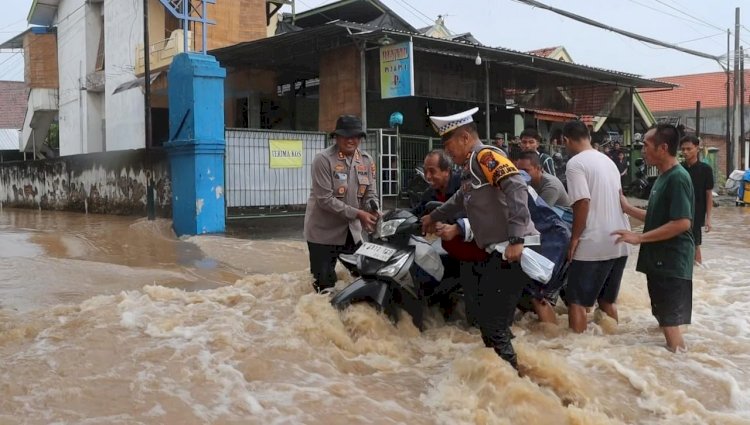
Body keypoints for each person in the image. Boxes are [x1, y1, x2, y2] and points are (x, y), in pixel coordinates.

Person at [421, 107, 538, 370]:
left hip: (512, 250)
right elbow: (459, 199)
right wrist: (432, 216)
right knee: (486, 318)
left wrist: (517, 237)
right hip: (496, 252)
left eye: (448, 142)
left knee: (493, 322)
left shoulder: (486, 156)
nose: (447, 150)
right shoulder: (470, 167)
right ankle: (507, 374)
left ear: (464, 137)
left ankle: (513, 381)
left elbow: (516, 187)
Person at [614, 124, 694, 352]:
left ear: (663, 147)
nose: (642, 151)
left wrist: (639, 238)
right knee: (662, 317)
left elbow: (682, 222)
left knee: (670, 323)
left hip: (671, 262)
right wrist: (628, 209)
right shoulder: (662, 177)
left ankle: (680, 372)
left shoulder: (678, 178)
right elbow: (657, 216)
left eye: (646, 146)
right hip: (659, 261)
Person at [563, 120, 630, 333]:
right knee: (607, 301)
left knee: (577, 302)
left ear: (566, 140)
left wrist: (574, 238)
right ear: (589, 137)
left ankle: (578, 354)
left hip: (593, 243)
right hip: (620, 241)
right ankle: (613, 344)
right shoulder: (608, 161)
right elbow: (621, 198)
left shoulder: (575, 164)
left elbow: (582, 202)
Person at [303, 115, 379, 293]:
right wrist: (359, 214)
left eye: (355, 136)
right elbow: (325, 200)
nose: (351, 140)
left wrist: (374, 208)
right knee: (324, 288)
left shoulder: (367, 161)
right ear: (336, 137)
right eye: (346, 135)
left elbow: (370, 194)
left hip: (350, 232)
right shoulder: (323, 160)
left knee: (364, 277)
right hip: (322, 234)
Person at [680, 135, 713, 265]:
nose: (685, 152)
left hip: (697, 213)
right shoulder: (678, 169)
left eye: (689, 149)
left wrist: (708, 218)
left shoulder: (705, 170)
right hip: (679, 212)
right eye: (683, 149)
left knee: (695, 244)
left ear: (697, 149)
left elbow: (709, 194)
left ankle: (698, 273)